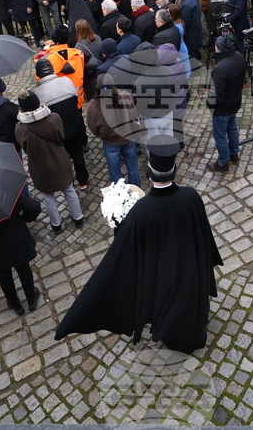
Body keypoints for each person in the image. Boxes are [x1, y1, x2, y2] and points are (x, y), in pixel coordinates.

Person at [55, 135, 222, 353]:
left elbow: (125, 251)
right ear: (173, 169)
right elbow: (202, 233)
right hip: (191, 269)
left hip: (163, 277)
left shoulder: (143, 210)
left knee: (169, 309)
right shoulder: (191, 196)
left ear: (150, 172)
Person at [14, 90, 84, 234]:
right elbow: (61, 137)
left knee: (48, 197)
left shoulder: (20, 128)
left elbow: (25, 148)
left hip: (39, 166)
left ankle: (56, 225)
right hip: (60, 160)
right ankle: (78, 218)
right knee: (69, 190)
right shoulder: (54, 118)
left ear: (21, 108)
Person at [32, 59, 90, 189]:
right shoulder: (66, 81)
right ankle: (83, 181)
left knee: (62, 157)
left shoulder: (36, 93)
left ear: (37, 73)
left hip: (56, 132)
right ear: (52, 69)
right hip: (74, 125)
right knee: (77, 153)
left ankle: (67, 181)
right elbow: (75, 101)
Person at [205, 33, 245, 173]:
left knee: (220, 136)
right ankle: (234, 154)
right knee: (232, 128)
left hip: (222, 109)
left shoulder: (220, 69)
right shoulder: (239, 56)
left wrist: (209, 102)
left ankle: (222, 163)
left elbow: (217, 96)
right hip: (234, 103)